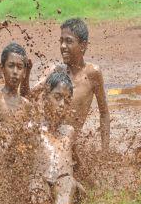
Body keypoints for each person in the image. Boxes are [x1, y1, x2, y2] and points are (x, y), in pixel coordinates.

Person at [21, 18, 110, 151]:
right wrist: (26, 76)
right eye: (61, 41)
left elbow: (104, 114)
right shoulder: (54, 71)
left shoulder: (93, 74)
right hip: (46, 142)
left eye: (68, 41)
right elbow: (27, 98)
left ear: (83, 45)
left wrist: (105, 152)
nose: (63, 46)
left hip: (69, 145)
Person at [29, 71, 81, 204]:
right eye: (57, 97)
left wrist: (81, 187)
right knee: (37, 187)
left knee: (66, 182)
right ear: (44, 98)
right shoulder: (32, 128)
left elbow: (78, 164)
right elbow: (14, 159)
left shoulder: (69, 131)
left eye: (66, 101)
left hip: (63, 182)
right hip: (41, 180)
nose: (61, 105)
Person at [0, 42, 31, 149]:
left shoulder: (26, 105)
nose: (15, 72)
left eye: (19, 67)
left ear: (24, 72)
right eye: (11, 66)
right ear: (2, 68)